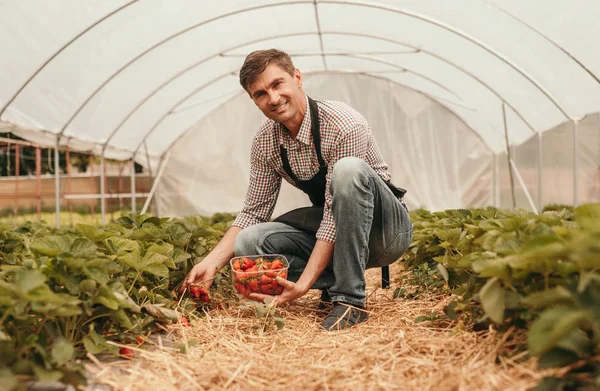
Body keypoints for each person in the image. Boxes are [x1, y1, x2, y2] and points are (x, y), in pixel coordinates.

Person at [182, 49, 413, 330]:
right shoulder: (265, 144)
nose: (274, 98)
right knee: (250, 242)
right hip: (340, 230)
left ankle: (350, 300)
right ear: (254, 101)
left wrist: (303, 285)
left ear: (297, 77)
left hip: (385, 232)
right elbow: (253, 213)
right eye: (261, 94)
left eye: (277, 84)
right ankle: (335, 281)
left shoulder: (343, 124)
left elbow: (331, 216)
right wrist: (211, 264)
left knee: (348, 171)